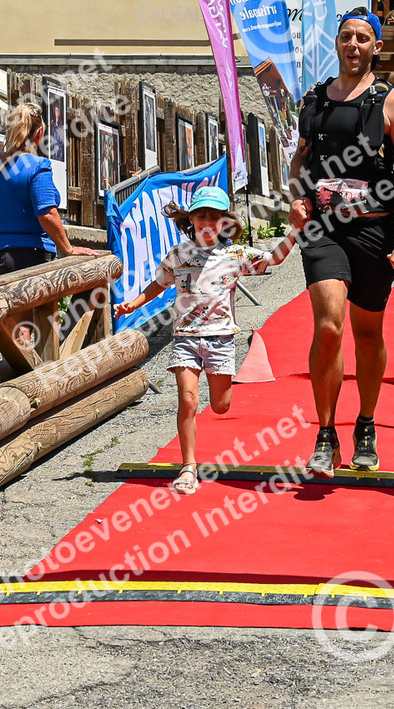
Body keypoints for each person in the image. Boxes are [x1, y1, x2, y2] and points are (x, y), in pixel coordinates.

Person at [287, 7, 394, 476]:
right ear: (337, 43)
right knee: (329, 325)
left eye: (362, 38)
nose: (353, 44)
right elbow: (300, 160)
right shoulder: (314, 100)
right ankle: (325, 433)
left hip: (373, 231)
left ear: (376, 47)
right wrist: (295, 198)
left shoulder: (392, 103)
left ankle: (365, 424)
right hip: (324, 230)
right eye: (346, 36)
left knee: (368, 333)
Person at [113, 186, 298, 495]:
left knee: (221, 406)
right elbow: (159, 283)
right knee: (188, 401)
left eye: (215, 217)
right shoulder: (179, 253)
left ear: (225, 222)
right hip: (185, 338)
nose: (208, 223)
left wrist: (295, 232)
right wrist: (135, 303)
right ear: (192, 220)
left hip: (221, 339)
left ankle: (212, 418)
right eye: (202, 217)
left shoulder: (235, 255)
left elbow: (273, 259)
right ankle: (188, 466)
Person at [0, 102, 93, 278]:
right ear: (39, 133)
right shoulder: (38, 166)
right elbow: (47, 214)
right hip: (30, 255)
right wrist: (69, 249)